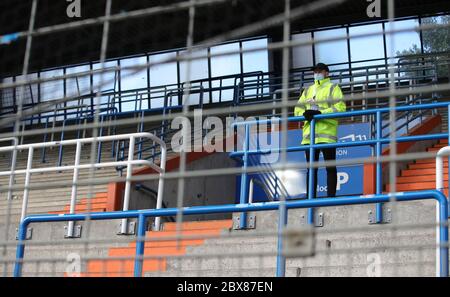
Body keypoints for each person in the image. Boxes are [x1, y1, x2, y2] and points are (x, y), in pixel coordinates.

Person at [294, 63, 346, 198]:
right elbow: (297, 110)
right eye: (315, 71)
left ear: (326, 73)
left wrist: (320, 113)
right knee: (311, 170)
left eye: (319, 71)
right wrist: (305, 114)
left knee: (330, 167)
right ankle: (310, 199)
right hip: (309, 136)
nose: (316, 73)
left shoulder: (333, 87)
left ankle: (331, 198)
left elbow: (340, 107)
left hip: (327, 135)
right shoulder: (307, 90)